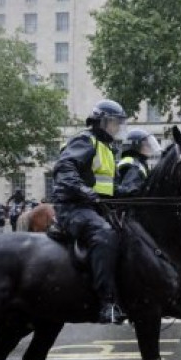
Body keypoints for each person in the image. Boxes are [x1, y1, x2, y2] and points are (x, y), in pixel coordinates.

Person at [51, 99, 128, 324]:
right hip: (74, 207)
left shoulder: (107, 148)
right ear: (101, 122)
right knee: (105, 234)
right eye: (114, 123)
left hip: (96, 206)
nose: (117, 127)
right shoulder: (85, 140)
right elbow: (64, 169)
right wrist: (84, 190)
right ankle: (107, 302)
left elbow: (107, 184)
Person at [115, 129, 162, 198]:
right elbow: (130, 191)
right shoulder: (134, 165)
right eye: (147, 145)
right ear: (136, 146)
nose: (150, 147)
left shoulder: (137, 162)